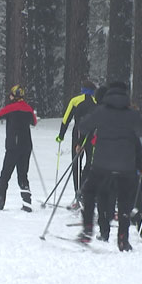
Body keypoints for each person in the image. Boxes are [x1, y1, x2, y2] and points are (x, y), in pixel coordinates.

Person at [74, 81, 142, 251]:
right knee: (124, 200)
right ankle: (123, 238)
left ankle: (87, 229)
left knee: (89, 192)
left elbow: (84, 126)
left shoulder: (101, 111)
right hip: (126, 167)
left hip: (101, 164)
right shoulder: (132, 114)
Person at [0, 84, 38, 212]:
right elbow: (34, 122)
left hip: (13, 147)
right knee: (23, 175)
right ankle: (27, 203)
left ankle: (0, 202)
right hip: (26, 146)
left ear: (14, 96)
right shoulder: (28, 109)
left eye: (11, 94)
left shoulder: (10, 108)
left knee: (5, 175)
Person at [56, 80, 97, 209]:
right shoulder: (97, 102)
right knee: (90, 165)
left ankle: (78, 196)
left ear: (82, 89)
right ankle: (87, 193)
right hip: (93, 135)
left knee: (76, 165)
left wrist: (61, 136)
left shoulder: (75, 100)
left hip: (78, 133)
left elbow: (66, 118)